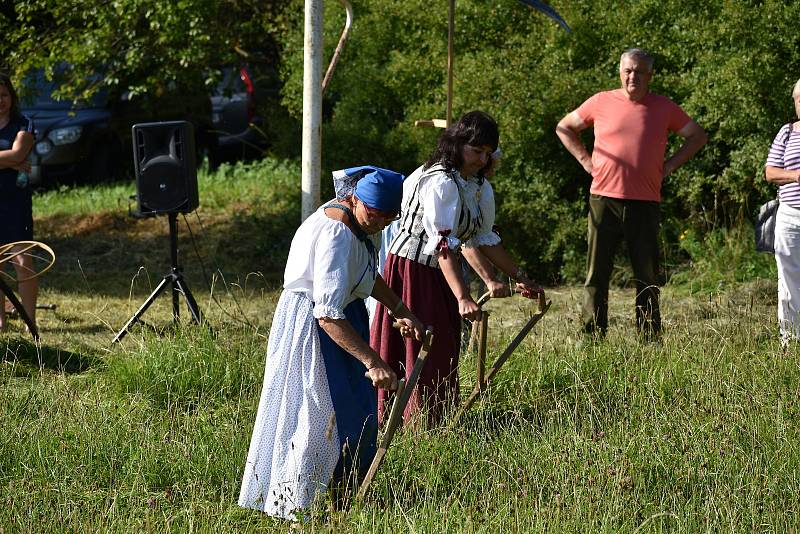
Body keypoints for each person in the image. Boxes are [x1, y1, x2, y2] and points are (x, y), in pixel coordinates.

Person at [238, 166, 424, 519]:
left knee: (355, 410)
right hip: (313, 326)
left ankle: (344, 500)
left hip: (344, 318)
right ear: (355, 199)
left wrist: (401, 309)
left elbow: (368, 275)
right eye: (376, 213)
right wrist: (374, 361)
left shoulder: (363, 224)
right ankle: (293, 509)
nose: (382, 222)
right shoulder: (335, 234)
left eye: (390, 217)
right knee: (315, 417)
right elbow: (326, 314)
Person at [370, 111, 542, 427]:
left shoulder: (476, 186)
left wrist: (520, 277)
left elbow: (484, 239)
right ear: (458, 144)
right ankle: (408, 422)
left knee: (445, 345)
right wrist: (463, 296)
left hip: (439, 272)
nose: (482, 159)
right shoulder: (440, 181)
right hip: (411, 270)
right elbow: (444, 244)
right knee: (422, 343)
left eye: (488, 153)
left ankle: (437, 422)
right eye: (477, 151)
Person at [556, 48, 707, 339]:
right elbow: (565, 128)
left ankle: (649, 338)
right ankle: (591, 337)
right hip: (604, 198)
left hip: (645, 202)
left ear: (650, 75)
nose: (632, 76)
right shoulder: (601, 101)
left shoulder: (664, 107)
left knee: (647, 275)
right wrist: (587, 163)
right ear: (620, 72)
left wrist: (670, 165)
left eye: (638, 71)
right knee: (596, 274)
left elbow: (697, 136)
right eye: (627, 70)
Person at [765, 78, 800, 345]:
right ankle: (791, 342)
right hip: (790, 216)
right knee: (788, 283)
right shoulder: (786, 132)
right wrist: (796, 175)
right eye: (799, 99)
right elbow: (770, 172)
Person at [0, 73, 36, 332]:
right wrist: (10, 160)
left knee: (23, 261)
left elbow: (19, 152)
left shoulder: (24, 124)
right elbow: (14, 157)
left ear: (11, 97)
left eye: (3, 95)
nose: (0, 101)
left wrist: (14, 158)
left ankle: (29, 320)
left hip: (15, 202)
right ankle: (0, 320)